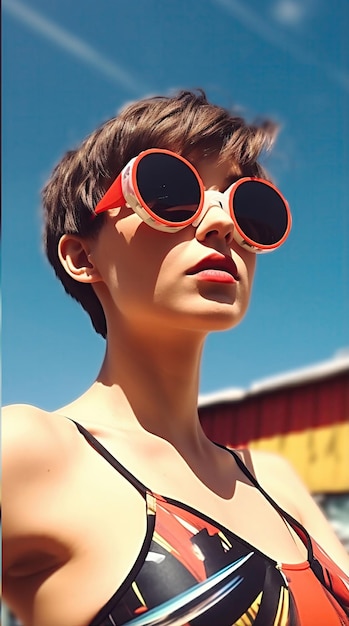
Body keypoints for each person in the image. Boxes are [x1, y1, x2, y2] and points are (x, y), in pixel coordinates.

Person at [3, 89, 349, 626]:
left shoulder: (274, 479)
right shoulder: (31, 452)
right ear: (81, 255)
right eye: (168, 191)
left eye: (248, 206)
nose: (221, 223)